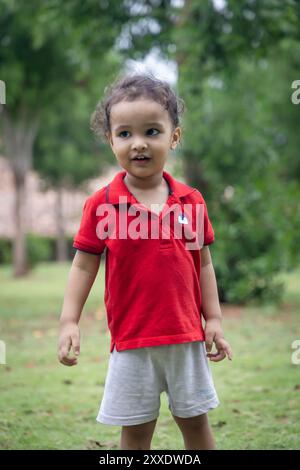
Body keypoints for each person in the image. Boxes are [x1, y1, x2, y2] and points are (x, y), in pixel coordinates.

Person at [58, 72, 233, 451]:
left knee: (196, 426)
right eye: (125, 134)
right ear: (111, 140)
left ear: (174, 137)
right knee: (135, 434)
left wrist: (214, 318)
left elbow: (203, 264)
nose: (138, 143)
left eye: (152, 131)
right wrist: (69, 320)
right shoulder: (102, 204)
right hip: (132, 342)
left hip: (186, 338)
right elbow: (84, 265)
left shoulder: (191, 201)